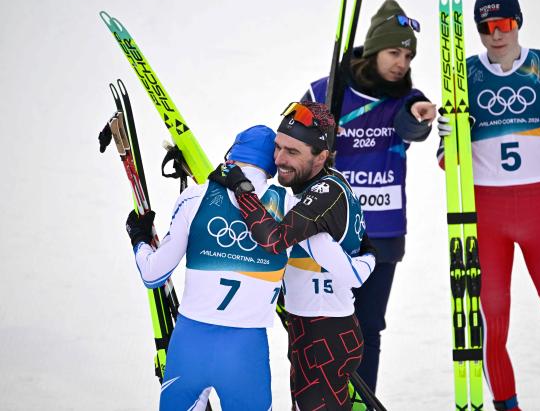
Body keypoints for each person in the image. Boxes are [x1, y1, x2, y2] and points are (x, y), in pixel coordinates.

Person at [125, 124, 375, 411]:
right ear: (272, 167)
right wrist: (367, 252)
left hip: (189, 346)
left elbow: (153, 275)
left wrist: (139, 237)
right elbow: (348, 273)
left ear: (231, 155)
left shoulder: (194, 198)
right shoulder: (290, 206)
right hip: (246, 352)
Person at [436, 0, 540, 410]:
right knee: (490, 330)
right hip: (486, 223)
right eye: (486, 28)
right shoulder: (463, 75)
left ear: (517, 22)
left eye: (503, 24)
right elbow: (446, 163)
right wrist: (448, 138)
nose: (495, 35)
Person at [301, 0, 437, 392]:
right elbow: (291, 144)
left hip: (382, 233)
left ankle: (361, 400)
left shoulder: (406, 100)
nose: (402, 63)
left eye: (408, 55)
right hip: (331, 231)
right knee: (325, 326)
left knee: (368, 328)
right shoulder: (325, 91)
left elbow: (412, 125)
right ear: (376, 49)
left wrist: (420, 117)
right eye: (395, 52)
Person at [211, 101, 376, 410]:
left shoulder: (324, 194)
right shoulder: (318, 188)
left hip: (325, 335)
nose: (278, 160)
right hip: (312, 329)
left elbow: (273, 239)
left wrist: (240, 187)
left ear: (321, 156)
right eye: (278, 147)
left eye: (292, 152)